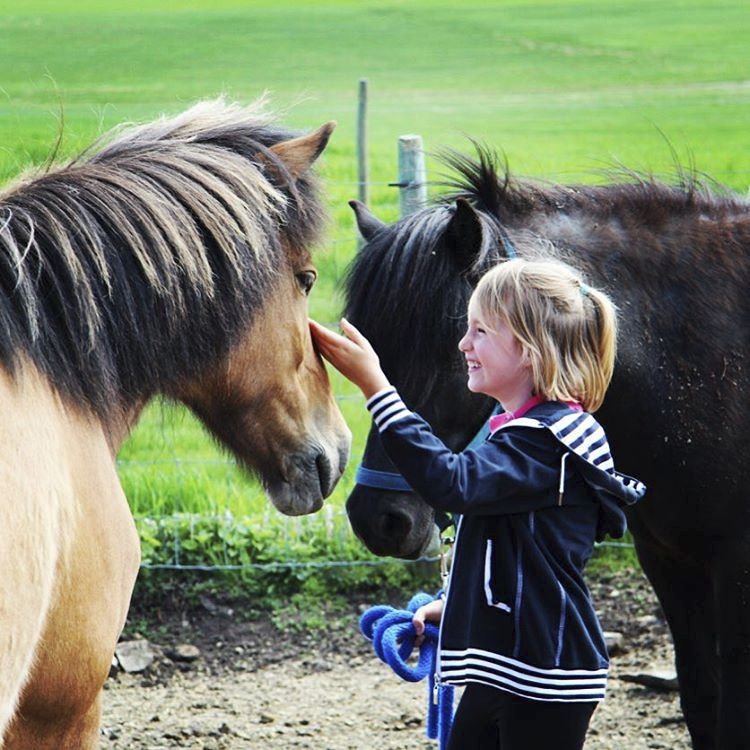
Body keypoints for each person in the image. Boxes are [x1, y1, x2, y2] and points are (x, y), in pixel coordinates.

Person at [309, 257, 646, 750]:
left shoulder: (548, 440)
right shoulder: (526, 434)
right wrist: (457, 605)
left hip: (542, 676)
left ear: (530, 352)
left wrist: (378, 389)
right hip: (508, 663)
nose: (464, 344)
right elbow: (519, 549)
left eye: (481, 331)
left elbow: (453, 483)